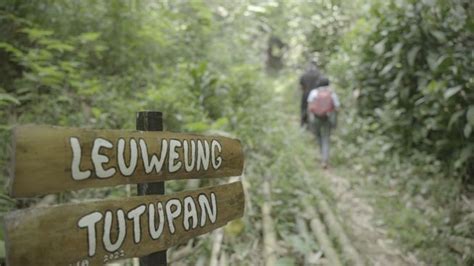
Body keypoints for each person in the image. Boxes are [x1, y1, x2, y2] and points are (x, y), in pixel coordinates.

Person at [307, 77, 340, 169]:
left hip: (316, 118)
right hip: (327, 118)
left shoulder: (314, 93)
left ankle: (321, 153)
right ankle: (325, 159)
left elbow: (309, 107)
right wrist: (335, 120)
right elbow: (337, 108)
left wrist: (310, 120)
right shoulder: (332, 93)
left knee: (318, 136)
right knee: (326, 137)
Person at [299, 61, 321, 127]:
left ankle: (303, 124)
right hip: (316, 95)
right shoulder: (318, 74)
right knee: (315, 110)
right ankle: (315, 126)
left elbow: (301, 86)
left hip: (306, 93)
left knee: (304, 109)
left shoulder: (304, 75)